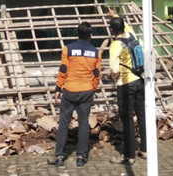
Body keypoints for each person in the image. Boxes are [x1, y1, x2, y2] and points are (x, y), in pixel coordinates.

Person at [48, 21, 101, 167]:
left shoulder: (68, 49)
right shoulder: (96, 52)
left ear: (77, 33)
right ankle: (81, 157)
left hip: (70, 91)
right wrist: (93, 89)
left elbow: (63, 70)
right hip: (86, 91)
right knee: (83, 123)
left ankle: (59, 156)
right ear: (90, 35)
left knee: (64, 123)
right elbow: (97, 74)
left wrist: (58, 88)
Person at [108, 16, 147, 165]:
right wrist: (115, 15)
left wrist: (114, 77)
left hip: (125, 84)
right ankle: (144, 149)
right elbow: (128, 25)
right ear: (124, 26)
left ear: (112, 30)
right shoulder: (131, 34)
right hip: (139, 80)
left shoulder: (115, 44)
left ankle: (129, 155)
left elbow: (114, 68)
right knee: (142, 115)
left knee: (127, 119)